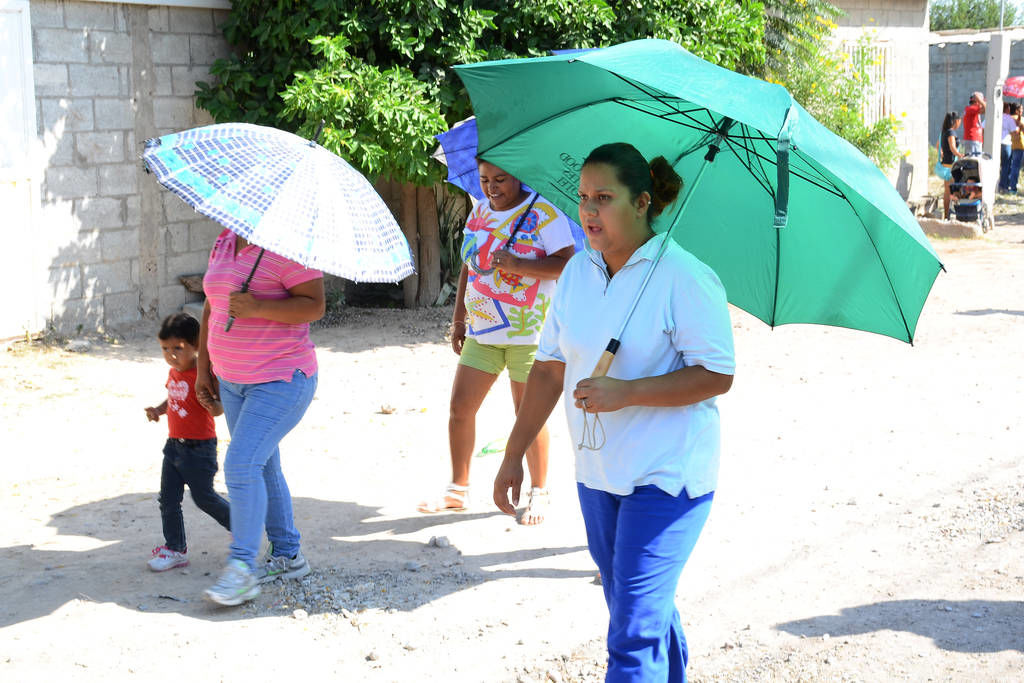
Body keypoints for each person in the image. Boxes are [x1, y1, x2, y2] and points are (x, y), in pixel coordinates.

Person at [494, 142, 735, 681]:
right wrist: (513, 454)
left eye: (603, 198)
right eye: (583, 197)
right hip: (598, 474)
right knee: (636, 609)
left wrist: (626, 392)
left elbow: (717, 374)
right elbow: (549, 368)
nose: (588, 210)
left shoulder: (684, 276)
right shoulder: (576, 272)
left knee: (631, 633)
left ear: (643, 202)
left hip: (668, 477)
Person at [418, 160, 576, 524]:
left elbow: (568, 264)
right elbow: (469, 266)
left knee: (528, 415)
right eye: (485, 179)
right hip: (483, 331)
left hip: (530, 333)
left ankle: (539, 492)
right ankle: (458, 489)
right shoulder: (478, 211)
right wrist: (459, 317)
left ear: (518, 175)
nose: (492, 187)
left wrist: (518, 265)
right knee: (460, 408)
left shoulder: (543, 212)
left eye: (500, 179)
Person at [197, 229, 325, 606]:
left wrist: (258, 307)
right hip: (232, 381)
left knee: (241, 465)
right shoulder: (224, 240)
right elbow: (212, 307)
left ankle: (241, 568)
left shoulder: (290, 245)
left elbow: (314, 305)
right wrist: (204, 369)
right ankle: (287, 555)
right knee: (263, 465)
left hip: (281, 379)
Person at [144, 312, 230, 572]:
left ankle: (241, 526)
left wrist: (211, 404)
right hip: (174, 447)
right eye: (165, 349)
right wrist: (158, 410)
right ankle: (175, 549)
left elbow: (218, 409)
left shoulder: (203, 374)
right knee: (168, 499)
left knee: (204, 498)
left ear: (195, 346)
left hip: (199, 449)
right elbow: (173, 398)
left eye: (177, 349)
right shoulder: (173, 372)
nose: (171, 355)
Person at [938, 111, 963, 219]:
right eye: (960, 121)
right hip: (950, 166)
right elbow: (953, 147)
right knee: (954, 190)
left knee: (947, 191)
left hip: (945, 164)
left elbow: (938, 145)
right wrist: (960, 155)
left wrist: (943, 153)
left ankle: (947, 215)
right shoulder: (951, 133)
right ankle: (954, 213)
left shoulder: (944, 132)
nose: (960, 123)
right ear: (956, 121)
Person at [963, 91, 985, 157]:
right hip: (973, 139)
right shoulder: (971, 108)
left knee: (974, 160)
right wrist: (980, 100)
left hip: (974, 140)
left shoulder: (972, 109)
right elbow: (986, 108)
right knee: (974, 161)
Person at [1008, 102, 1024, 193]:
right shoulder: (1018, 119)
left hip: (1013, 144)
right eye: (1021, 109)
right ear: (1017, 110)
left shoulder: (1009, 118)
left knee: (1012, 166)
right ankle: (1013, 187)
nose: (1022, 110)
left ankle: (1011, 185)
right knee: (1016, 167)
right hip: (1020, 145)